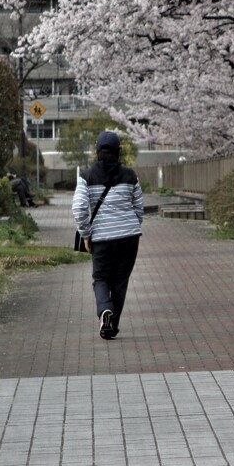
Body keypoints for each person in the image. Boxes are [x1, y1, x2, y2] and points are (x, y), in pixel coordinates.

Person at [72, 131, 144, 340]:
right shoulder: (130, 176)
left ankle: (105, 311)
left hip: (102, 238)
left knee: (101, 278)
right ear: (118, 152)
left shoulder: (86, 176)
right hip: (130, 237)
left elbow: (78, 209)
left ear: (97, 152)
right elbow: (139, 209)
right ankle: (111, 325)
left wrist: (86, 233)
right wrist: (130, 227)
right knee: (120, 281)